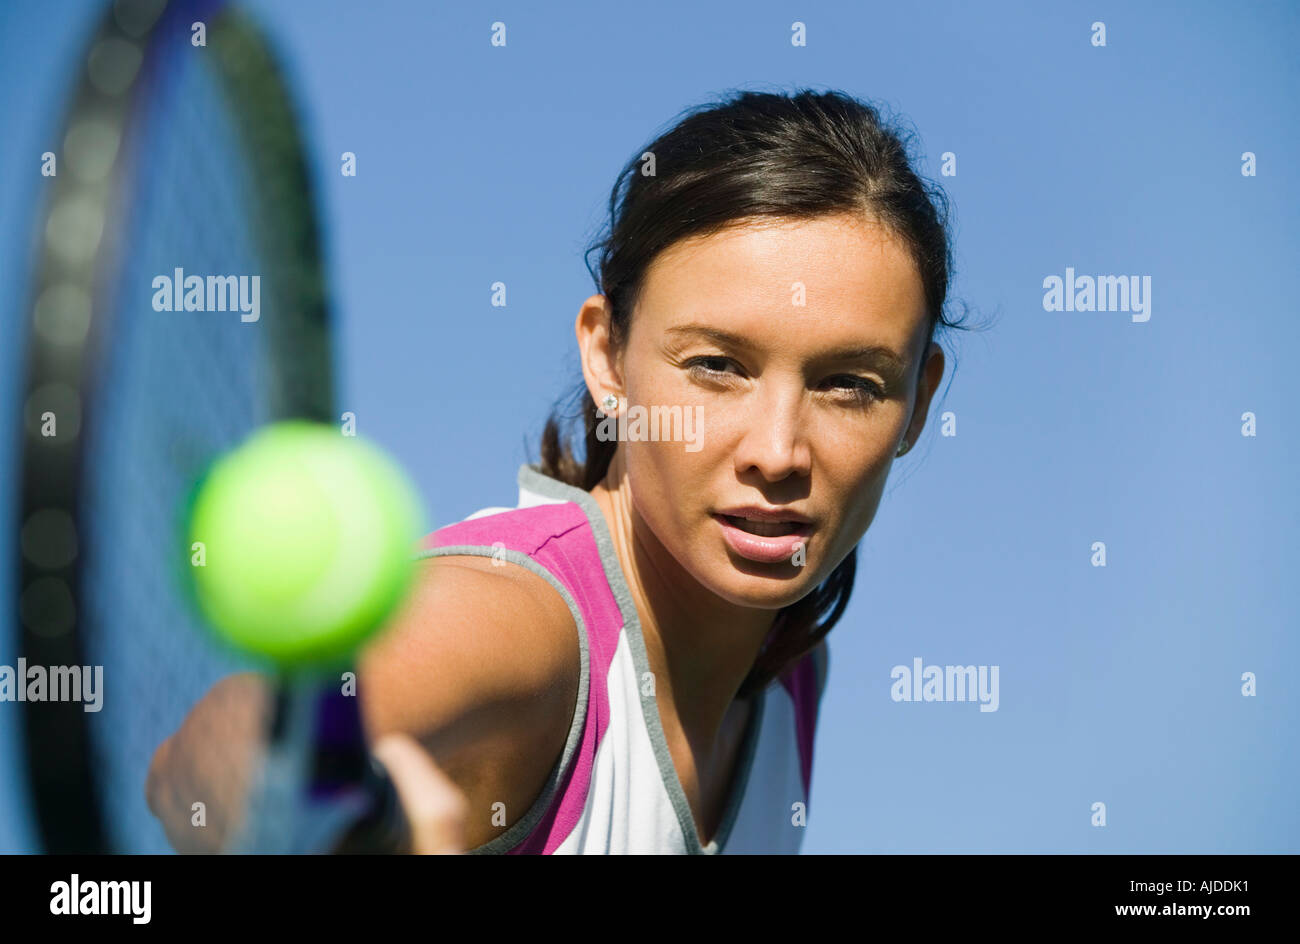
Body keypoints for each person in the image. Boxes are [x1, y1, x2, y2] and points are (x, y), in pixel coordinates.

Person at [148, 86, 966, 854]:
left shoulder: (792, 685)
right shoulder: (522, 624)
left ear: (918, 400)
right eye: (717, 366)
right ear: (608, 358)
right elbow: (217, 749)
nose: (779, 452)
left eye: (849, 385)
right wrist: (340, 825)